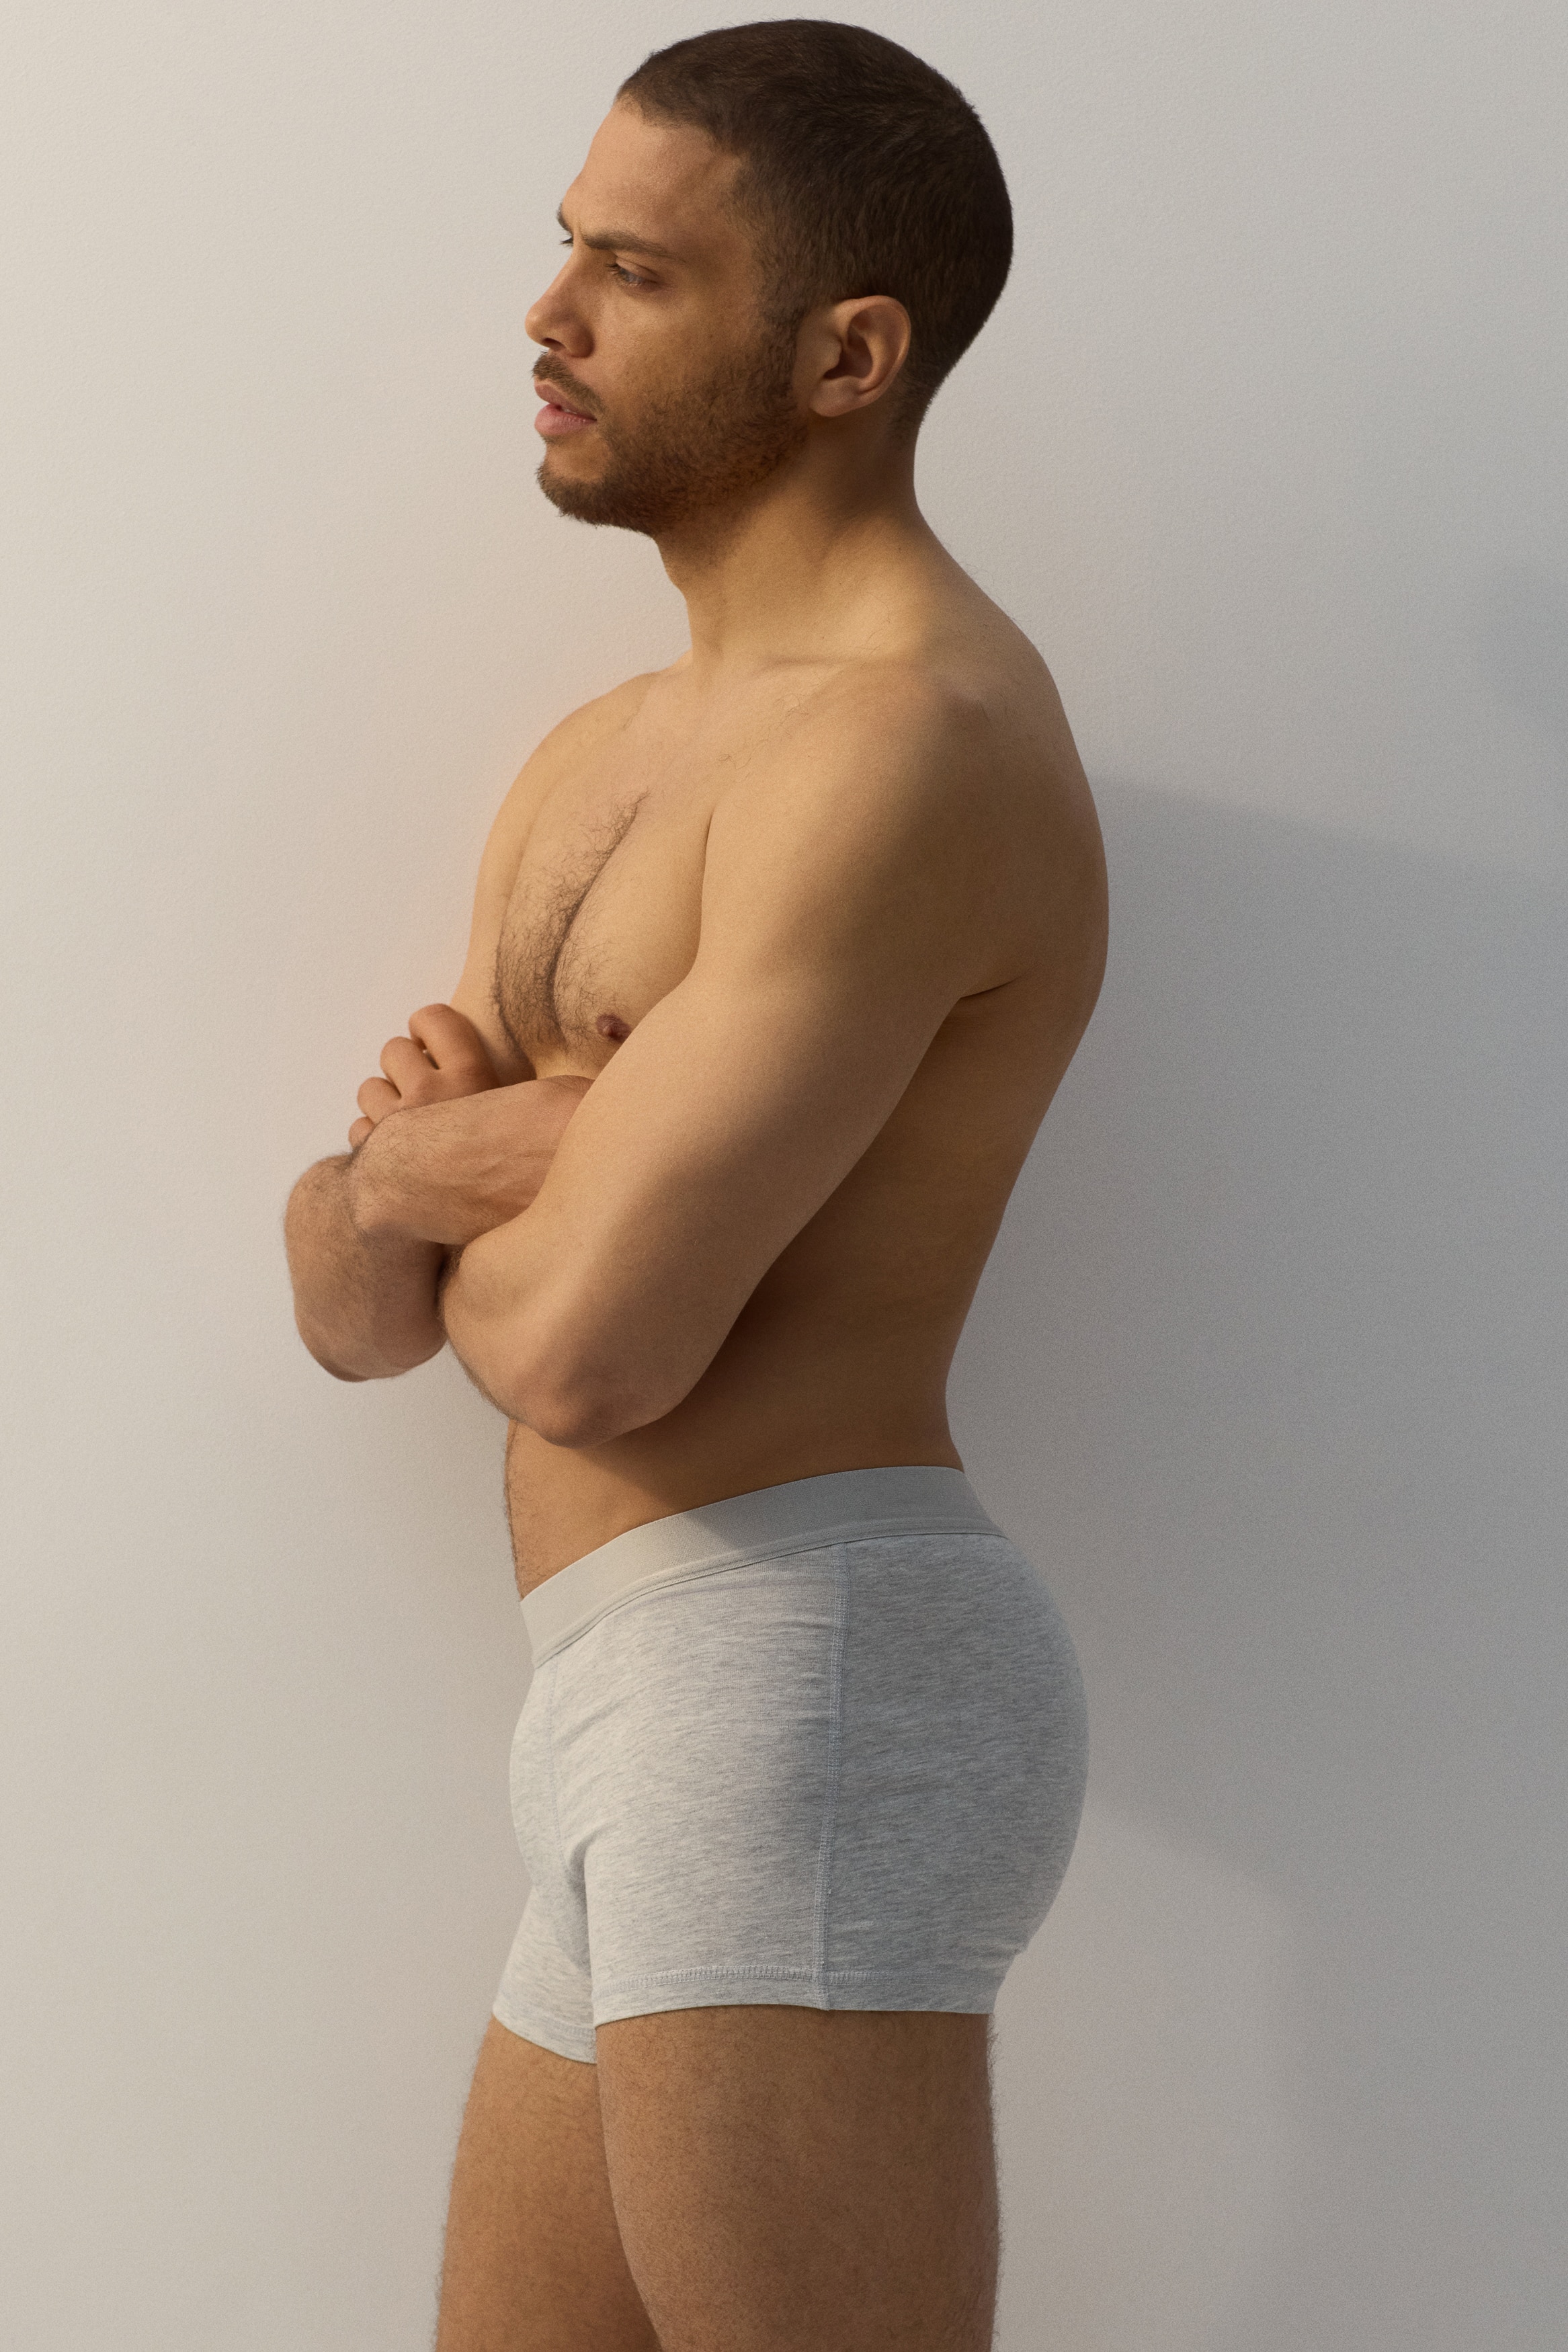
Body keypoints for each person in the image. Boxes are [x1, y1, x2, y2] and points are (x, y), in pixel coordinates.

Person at [284, 20, 1106, 2349]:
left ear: (848, 356)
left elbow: (587, 1346)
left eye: (635, 274)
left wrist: (440, 1197)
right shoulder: (605, 757)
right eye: (567, 249)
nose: (548, 317)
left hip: (803, 1668)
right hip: (627, 1685)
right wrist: (435, 1166)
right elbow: (354, 1303)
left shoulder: (908, 747)